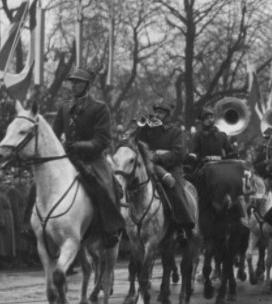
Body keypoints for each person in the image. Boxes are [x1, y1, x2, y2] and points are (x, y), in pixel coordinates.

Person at [51, 68, 125, 248]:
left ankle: (110, 229)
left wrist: (78, 146)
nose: (74, 85)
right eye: (72, 82)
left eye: (78, 82)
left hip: (92, 159)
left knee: (103, 185)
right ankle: (30, 226)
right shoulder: (64, 106)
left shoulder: (99, 108)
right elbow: (55, 134)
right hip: (68, 158)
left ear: (87, 85)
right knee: (41, 181)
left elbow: (103, 140)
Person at [131, 102, 195, 241]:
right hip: (148, 167)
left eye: (161, 112)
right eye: (156, 112)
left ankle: (181, 226)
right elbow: (137, 144)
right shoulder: (149, 129)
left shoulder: (176, 131)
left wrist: (157, 158)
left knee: (175, 189)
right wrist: (141, 128)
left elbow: (179, 153)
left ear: (167, 115)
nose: (157, 115)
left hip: (170, 168)